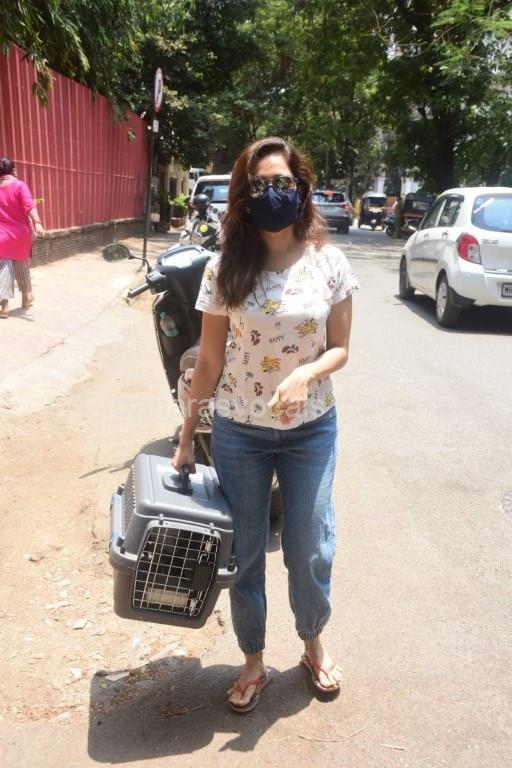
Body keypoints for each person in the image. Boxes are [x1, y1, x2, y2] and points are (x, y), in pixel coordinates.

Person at [172, 137, 360, 713]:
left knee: (308, 545)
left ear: (301, 190)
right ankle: (253, 658)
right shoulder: (225, 268)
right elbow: (209, 359)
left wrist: (306, 373)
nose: (272, 193)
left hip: (311, 428)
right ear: (243, 195)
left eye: (283, 183)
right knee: (246, 550)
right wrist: (187, 434)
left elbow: (340, 348)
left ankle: (312, 642)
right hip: (240, 430)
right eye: (260, 185)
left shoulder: (329, 263)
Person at [0, 158, 44, 318]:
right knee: (22, 267)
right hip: (20, 236)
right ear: (13, 170)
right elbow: (29, 205)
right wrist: (37, 222)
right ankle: (26, 296)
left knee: (3, 269)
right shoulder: (20, 185)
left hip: (2, 236)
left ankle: (4, 306)